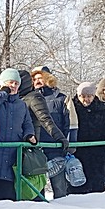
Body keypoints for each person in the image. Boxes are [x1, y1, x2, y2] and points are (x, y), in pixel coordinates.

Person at [0, 69, 35, 202]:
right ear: (2, 83)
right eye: (10, 82)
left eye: (16, 83)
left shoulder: (22, 105)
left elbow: (27, 123)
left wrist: (29, 135)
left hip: (12, 159)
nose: (13, 86)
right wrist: (4, 93)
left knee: (9, 201)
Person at [30, 66, 77, 199]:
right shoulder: (28, 98)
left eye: (41, 78)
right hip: (36, 149)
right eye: (35, 78)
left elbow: (72, 123)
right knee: (37, 188)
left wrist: (70, 144)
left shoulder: (62, 98)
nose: (38, 81)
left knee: (59, 187)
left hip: (56, 148)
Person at [69, 82, 105, 194]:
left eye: (89, 96)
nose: (86, 100)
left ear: (94, 96)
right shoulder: (71, 108)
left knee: (97, 182)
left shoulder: (104, 109)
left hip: (97, 151)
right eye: (83, 96)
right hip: (78, 149)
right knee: (78, 181)